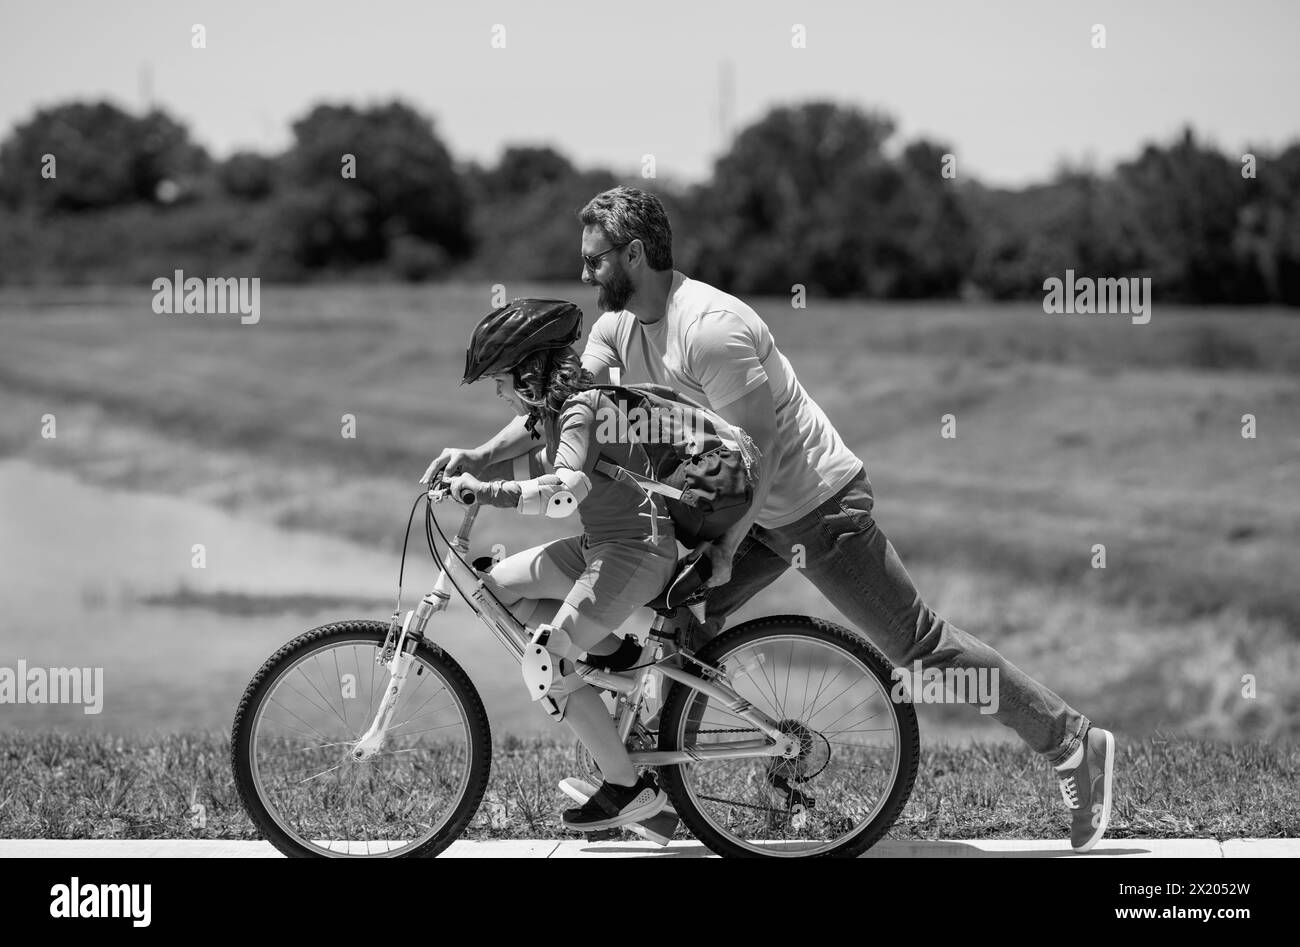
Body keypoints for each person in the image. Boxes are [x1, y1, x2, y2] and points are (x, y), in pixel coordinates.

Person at [433, 185, 1116, 853]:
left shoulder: (711, 328)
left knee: (917, 644)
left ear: (636, 254)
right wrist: (481, 456)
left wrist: (727, 548)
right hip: (731, 507)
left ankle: (1072, 742)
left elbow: (759, 454)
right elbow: (558, 407)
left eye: (596, 258)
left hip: (817, 508)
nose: (584, 272)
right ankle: (652, 791)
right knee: (682, 632)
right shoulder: (616, 328)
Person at [423, 297, 676, 832]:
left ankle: (628, 789)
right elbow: (535, 442)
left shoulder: (582, 409)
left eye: (501, 379)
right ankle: (618, 664)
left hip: (635, 551)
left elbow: (564, 490)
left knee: (548, 662)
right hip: (601, 545)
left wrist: (486, 490)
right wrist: (473, 458)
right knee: (495, 590)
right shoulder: (562, 410)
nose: (498, 391)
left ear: (530, 371)